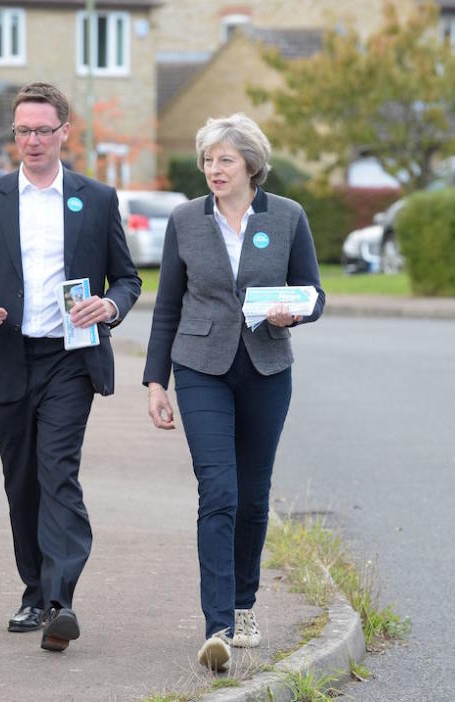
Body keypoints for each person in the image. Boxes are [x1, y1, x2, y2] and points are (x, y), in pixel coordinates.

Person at [0, 82, 141, 653]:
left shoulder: (96, 198)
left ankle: (60, 602)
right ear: (15, 135)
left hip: (70, 358)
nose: (32, 140)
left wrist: (111, 306)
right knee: (22, 480)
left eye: (42, 130)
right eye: (23, 130)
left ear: (64, 133)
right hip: (8, 354)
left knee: (58, 471)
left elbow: (127, 278)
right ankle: (33, 590)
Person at [142, 113, 324, 672]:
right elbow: (167, 304)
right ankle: (216, 626)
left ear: (251, 163)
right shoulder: (185, 220)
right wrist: (155, 380)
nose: (214, 169)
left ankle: (245, 604)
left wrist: (290, 313)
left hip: (267, 367)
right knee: (217, 490)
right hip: (201, 366)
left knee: (251, 496)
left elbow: (315, 293)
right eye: (207, 159)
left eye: (225, 159)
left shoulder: (287, 217)